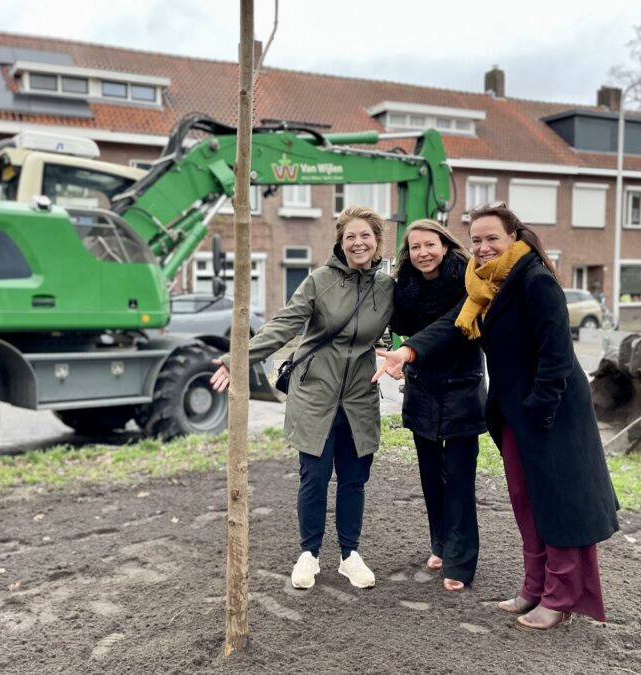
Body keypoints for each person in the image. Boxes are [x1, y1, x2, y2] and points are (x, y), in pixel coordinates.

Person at [373, 203, 619, 631]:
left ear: (514, 238)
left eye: (492, 239)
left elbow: (557, 356)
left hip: (549, 410)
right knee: (526, 501)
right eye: (477, 240)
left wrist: (539, 410)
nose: (483, 247)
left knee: (558, 503)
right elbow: (454, 326)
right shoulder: (485, 287)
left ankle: (559, 598)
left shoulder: (536, 280)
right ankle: (533, 587)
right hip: (514, 412)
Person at [211, 205, 394, 590]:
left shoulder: (387, 288)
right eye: (350, 237)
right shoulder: (319, 282)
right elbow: (282, 326)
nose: (358, 243)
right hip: (314, 396)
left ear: (377, 242)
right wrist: (236, 359)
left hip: (360, 397)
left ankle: (350, 555)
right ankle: (308, 554)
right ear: (340, 243)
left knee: (353, 481)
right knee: (313, 478)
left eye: (365, 236)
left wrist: (409, 356)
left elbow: (418, 326)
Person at [389, 219, 486, 593]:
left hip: (461, 387)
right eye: (415, 247)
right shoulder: (407, 289)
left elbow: (453, 324)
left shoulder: (469, 281)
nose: (423, 253)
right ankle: (441, 544)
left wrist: (409, 349)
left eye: (429, 244)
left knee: (460, 479)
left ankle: (462, 562)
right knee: (431, 474)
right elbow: (391, 319)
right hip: (422, 386)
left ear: (445, 245)